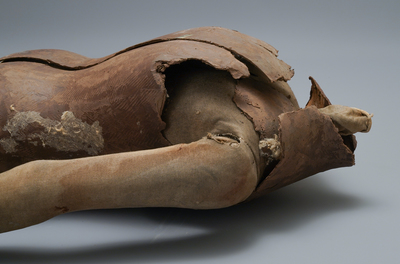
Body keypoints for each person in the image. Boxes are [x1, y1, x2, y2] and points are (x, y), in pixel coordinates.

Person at [0, 27, 372, 233]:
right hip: (33, 88)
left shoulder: (236, 156)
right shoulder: (242, 147)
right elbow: (47, 185)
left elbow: (47, 183)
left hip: (30, 86)